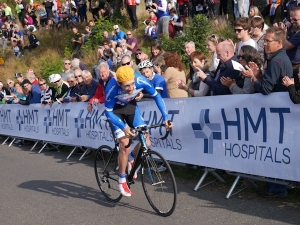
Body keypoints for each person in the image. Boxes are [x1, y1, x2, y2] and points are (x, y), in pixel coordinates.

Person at [104, 66, 173, 197]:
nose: (131, 88)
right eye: (126, 86)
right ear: (119, 83)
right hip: (115, 112)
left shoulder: (140, 80)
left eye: (132, 84)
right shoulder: (111, 88)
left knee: (146, 141)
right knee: (125, 144)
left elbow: (156, 96)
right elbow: (108, 113)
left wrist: (165, 118)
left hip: (130, 107)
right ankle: (122, 179)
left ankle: (130, 159)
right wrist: (124, 127)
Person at [242, 27, 293, 95]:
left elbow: (265, 90)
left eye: (268, 41)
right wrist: (258, 76)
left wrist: (252, 77)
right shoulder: (282, 57)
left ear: (279, 42)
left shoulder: (276, 62)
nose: (264, 44)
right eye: (264, 40)